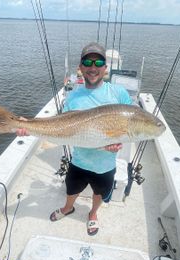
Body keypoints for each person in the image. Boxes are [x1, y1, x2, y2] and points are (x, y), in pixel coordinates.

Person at [49, 42, 133, 235]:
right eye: (87, 62)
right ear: (80, 67)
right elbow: (64, 126)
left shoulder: (118, 92)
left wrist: (120, 140)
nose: (93, 67)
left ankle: (93, 214)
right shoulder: (73, 95)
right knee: (71, 189)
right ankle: (67, 208)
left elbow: (127, 122)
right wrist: (27, 127)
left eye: (99, 62)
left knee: (99, 193)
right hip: (79, 160)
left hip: (105, 164)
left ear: (105, 67)